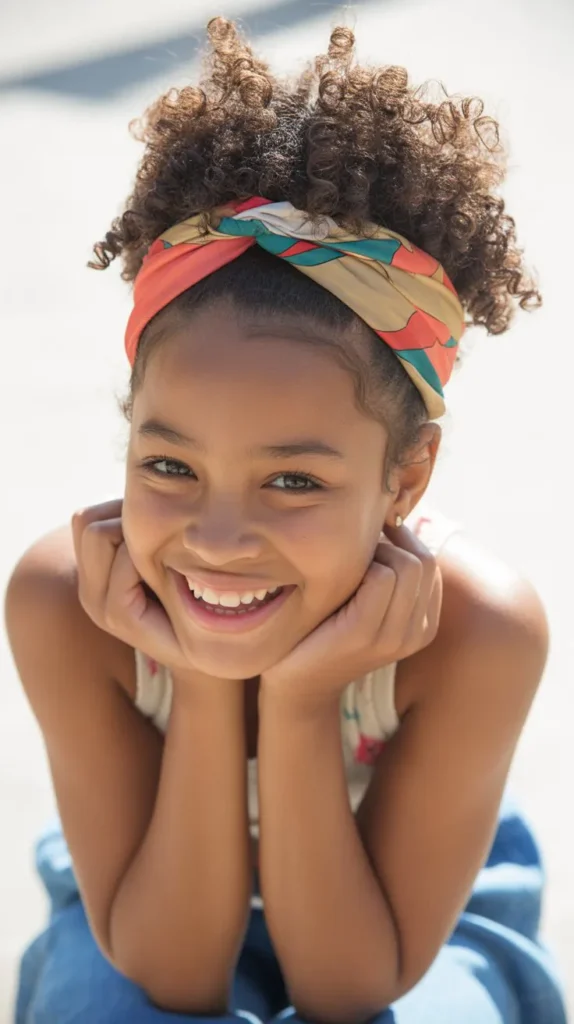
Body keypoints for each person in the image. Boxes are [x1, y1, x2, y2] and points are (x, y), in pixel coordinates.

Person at [4, 16, 567, 1024]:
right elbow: (173, 976)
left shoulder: (477, 629)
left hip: (411, 904)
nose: (216, 539)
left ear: (405, 476)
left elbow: (350, 990)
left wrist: (304, 700)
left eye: (294, 483)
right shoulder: (68, 599)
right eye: (169, 464)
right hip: (138, 888)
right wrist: (202, 671)